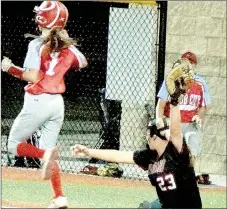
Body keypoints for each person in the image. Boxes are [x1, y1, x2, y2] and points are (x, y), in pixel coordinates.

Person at [71, 62, 202, 208]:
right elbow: (118, 156)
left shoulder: (176, 152)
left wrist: (174, 102)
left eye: (149, 132)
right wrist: (89, 151)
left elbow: (176, 131)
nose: (147, 135)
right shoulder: (149, 156)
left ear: (156, 136)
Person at [1, 1, 88, 208]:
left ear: (42, 19)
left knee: (13, 145)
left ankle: (45, 155)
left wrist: (9, 68)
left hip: (38, 101)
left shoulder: (37, 44)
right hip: (57, 104)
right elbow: (82, 62)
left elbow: (34, 75)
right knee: (48, 148)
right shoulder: (67, 47)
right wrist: (64, 43)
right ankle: (59, 198)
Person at [156, 51, 211, 173]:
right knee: (172, 150)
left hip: (190, 123)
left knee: (192, 147)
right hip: (173, 121)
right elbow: (161, 104)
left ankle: (189, 174)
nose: (188, 65)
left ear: (195, 65)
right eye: (186, 62)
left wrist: (199, 116)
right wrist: (159, 120)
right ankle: (168, 173)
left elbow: (203, 106)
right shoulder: (171, 79)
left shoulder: (200, 83)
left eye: (191, 63)